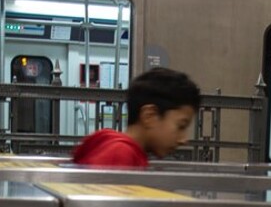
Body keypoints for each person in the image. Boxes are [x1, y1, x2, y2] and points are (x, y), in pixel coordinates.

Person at [71, 67, 201, 167]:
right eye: (181, 126)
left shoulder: (124, 151)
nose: (184, 139)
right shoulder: (119, 156)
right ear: (149, 116)